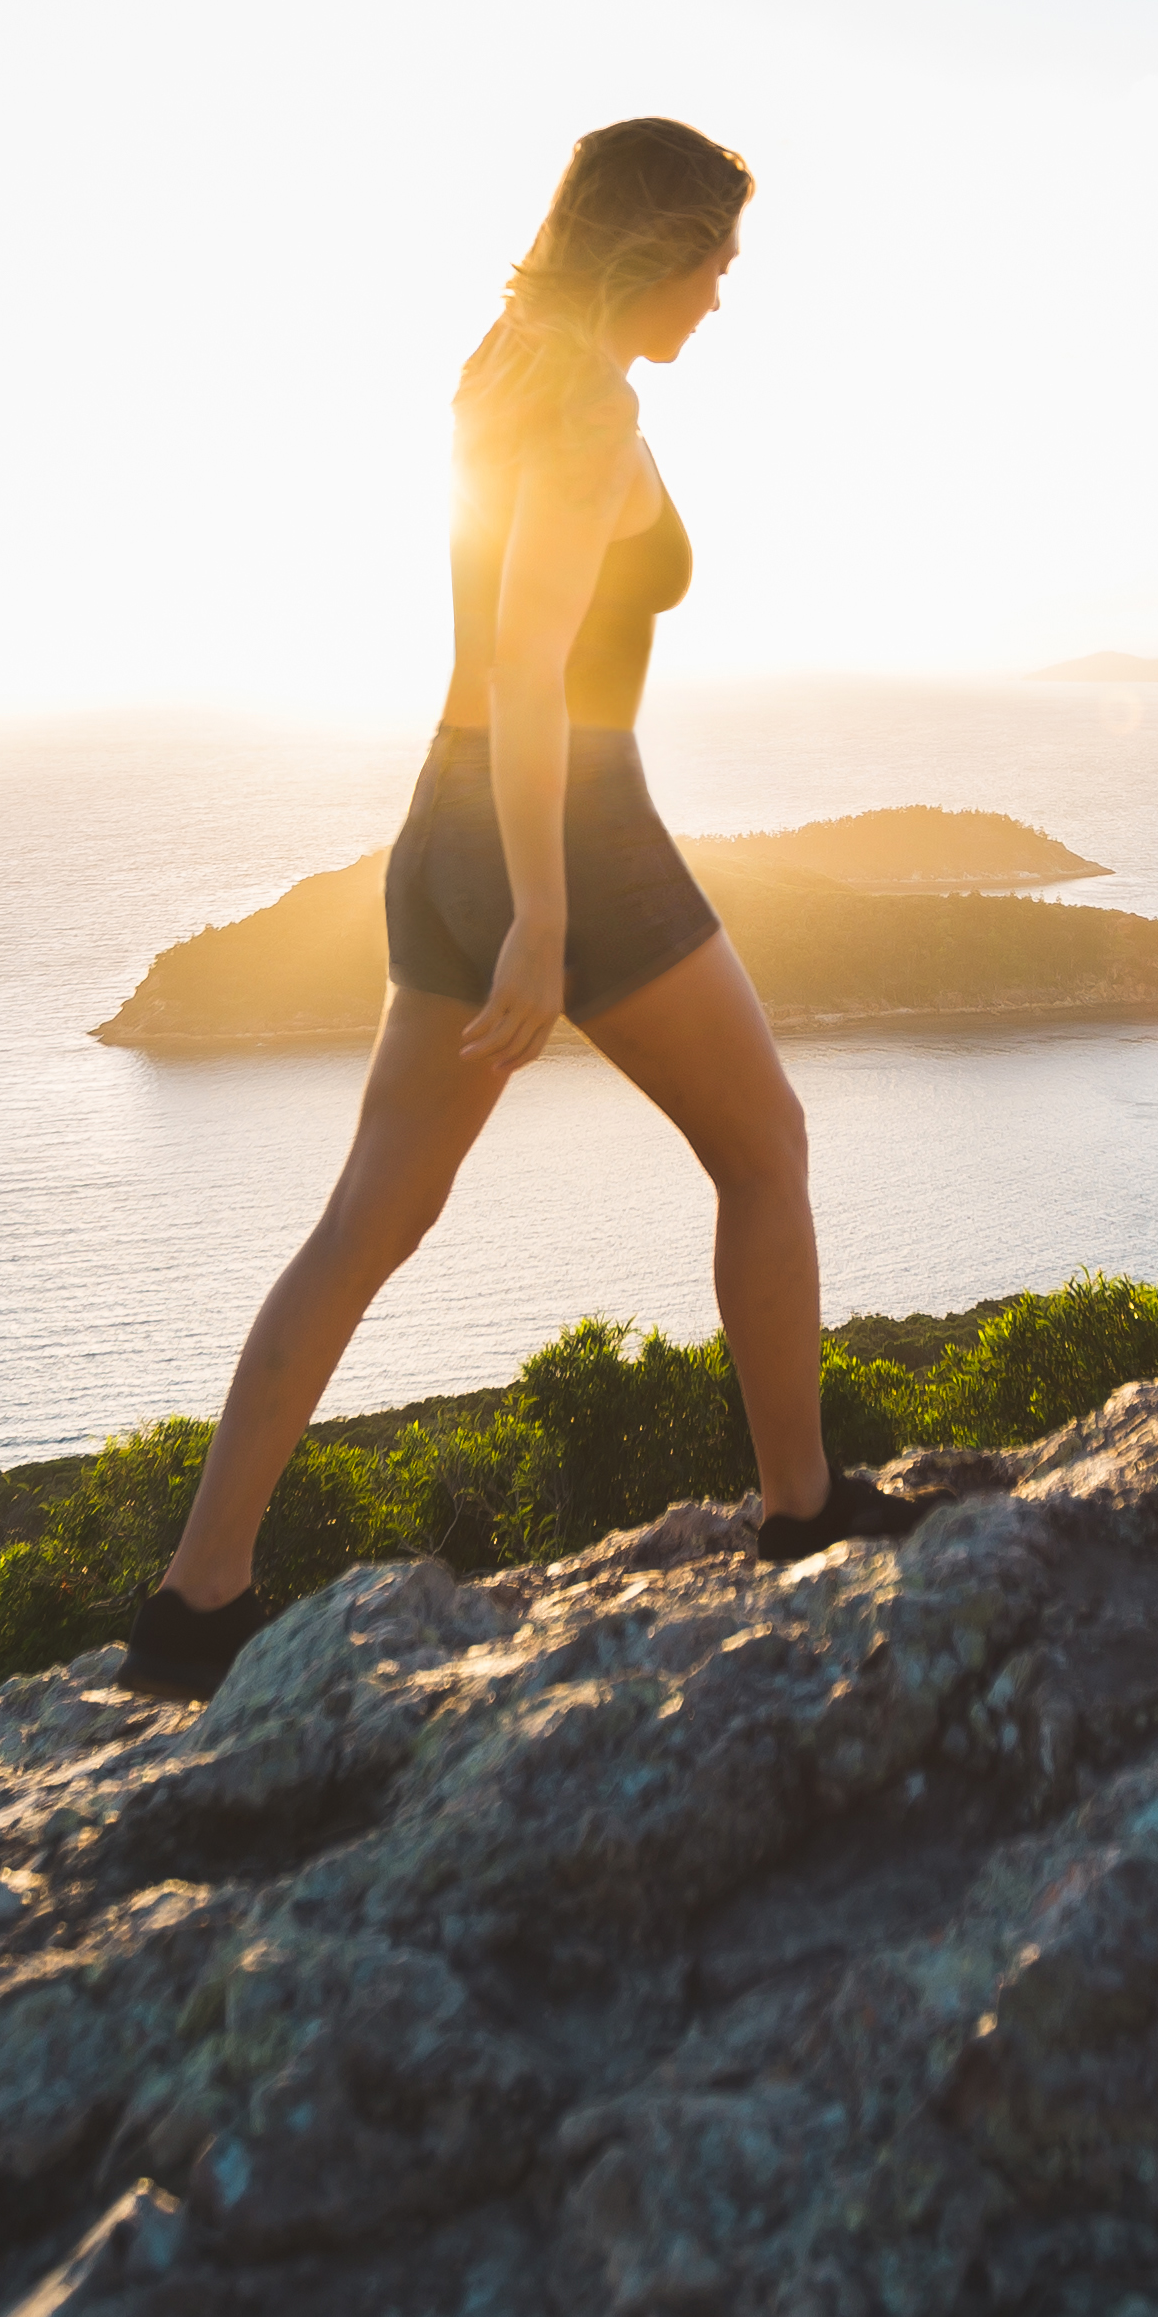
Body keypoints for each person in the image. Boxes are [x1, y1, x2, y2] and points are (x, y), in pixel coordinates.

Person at [123, 116, 928, 1700]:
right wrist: (548, 918)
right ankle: (802, 1510)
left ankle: (192, 1608)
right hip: (566, 830)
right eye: (717, 258)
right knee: (765, 1149)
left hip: (441, 819)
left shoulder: (504, 364)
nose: (724, 292)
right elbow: (530, 671)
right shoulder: (587, 415)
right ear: (656, 249)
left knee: (368, 1221)